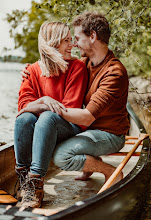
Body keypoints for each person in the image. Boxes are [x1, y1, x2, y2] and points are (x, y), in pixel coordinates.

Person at [22, 12, 129, 193]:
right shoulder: (86, 62)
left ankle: (109, 171)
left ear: (93, 36)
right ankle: (90, 164)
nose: (74, 44)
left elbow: (86, 118)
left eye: (77, 38)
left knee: (61, 156)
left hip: (109, 134)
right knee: (43, 128)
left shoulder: (114, 72)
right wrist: (30, 70)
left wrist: (50, 108)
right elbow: (54, 63)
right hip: (90, 130)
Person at [14, 21, 88, 209]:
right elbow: (23, 106)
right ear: (53, 43)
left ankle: (36, 182)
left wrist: (39, 105)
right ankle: (24, 181)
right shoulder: (31, 70)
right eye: (66, 41)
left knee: (46, 118)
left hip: (67, 126)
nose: (73, 45)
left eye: (72, 40)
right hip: (42, 125)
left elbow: (68, 108)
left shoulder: (77, 67)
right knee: (24, 119)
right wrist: (42, 101)